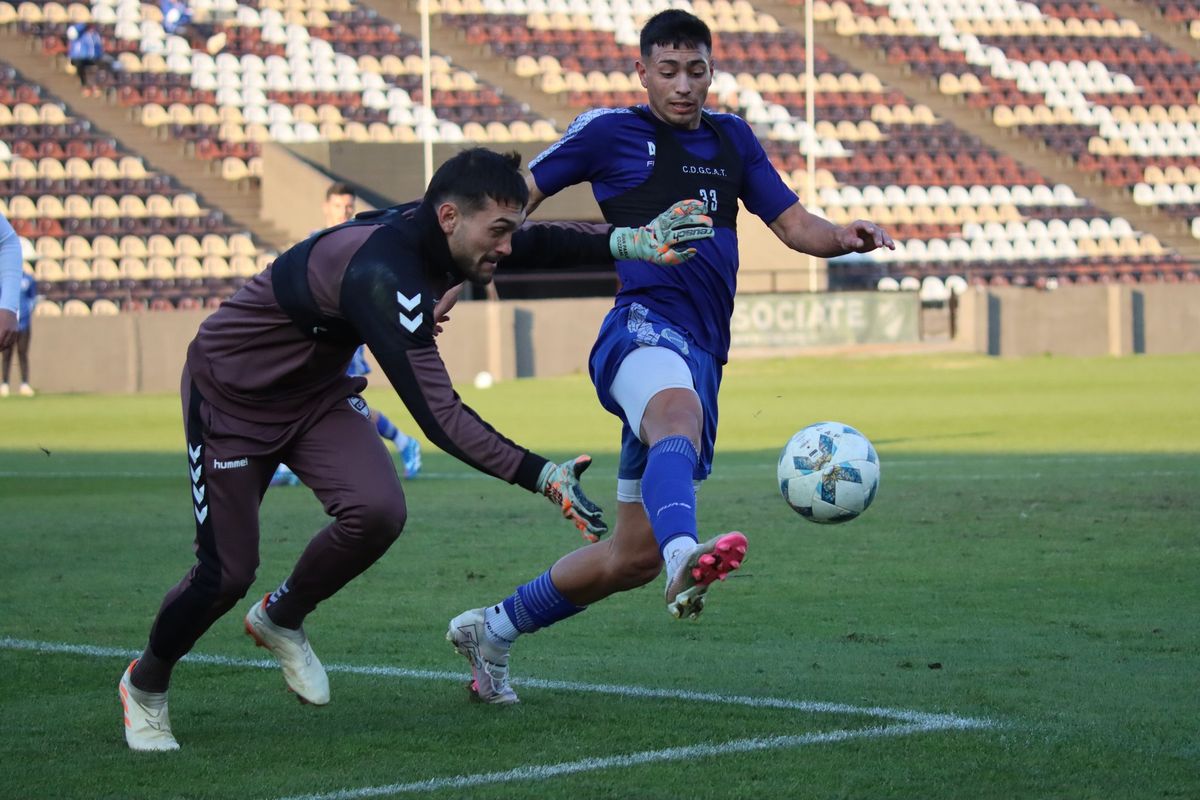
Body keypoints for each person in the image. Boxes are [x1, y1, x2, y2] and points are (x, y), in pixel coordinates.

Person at [117, 147, 713, 751]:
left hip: (315, 395)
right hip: (230, 399)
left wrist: (632, 241)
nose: (506, 247)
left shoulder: (441, 233)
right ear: (450, 217)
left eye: (510, 230)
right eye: (498, 232)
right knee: (226, 573)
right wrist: (540, 474)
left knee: (378, 512)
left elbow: (542, 240)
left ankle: (281, 616)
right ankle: (146, 685)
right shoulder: (384, 271)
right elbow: (441, 417)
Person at [447, 10, 895, 704]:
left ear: (711, 72)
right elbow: (513, 202)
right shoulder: (608, 132)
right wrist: (452, 276)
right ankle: (685, 558)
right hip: (640, 327)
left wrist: (846, 235)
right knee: (675, 415)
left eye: (697, 70)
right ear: (643, 71)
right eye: (669, 70)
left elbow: (794, 223)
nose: (685, 85)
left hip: (704, 351)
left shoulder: (732, 138)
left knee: (628, 558)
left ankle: (495, 629)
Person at [271, 183, 422, 484]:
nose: (345, 211)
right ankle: (403, 442)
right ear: (327, 207)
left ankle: (293, 462)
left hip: (347, 332)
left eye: (349, 206)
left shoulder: (362, 239)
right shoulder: (313, 241)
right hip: (316, 331)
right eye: (339, 206)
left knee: (337, 399)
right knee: (325, 398)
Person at [0, 212, 32, 396]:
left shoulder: (29, 280)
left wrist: (8, 306)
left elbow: (8, 241)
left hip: (24, 323)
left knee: (21, 353)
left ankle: (23, 383)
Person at [67, 22, 104, 98]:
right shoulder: (79, 36)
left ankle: (94, 87)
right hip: (80, 58)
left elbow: (98, 47)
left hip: (93, 57)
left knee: (94, 70)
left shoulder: (94, 35)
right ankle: (85, 87)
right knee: (82, 69)